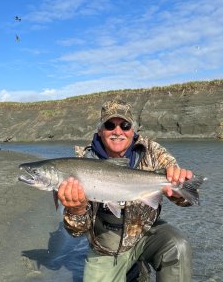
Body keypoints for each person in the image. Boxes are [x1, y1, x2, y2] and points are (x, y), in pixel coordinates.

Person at [58, 99, 194, 282]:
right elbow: (76, 231)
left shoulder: (153, 151)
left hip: (146, 234)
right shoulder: (82, 163)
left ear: (133, 130)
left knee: (178, 246)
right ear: (100, 131)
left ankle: (139, 265)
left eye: (125, 125)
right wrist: (77, 210)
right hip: (106, 249)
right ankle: (135, 270)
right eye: (109, 125)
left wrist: (179, 190)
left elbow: (186, 200)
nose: (118, 131)